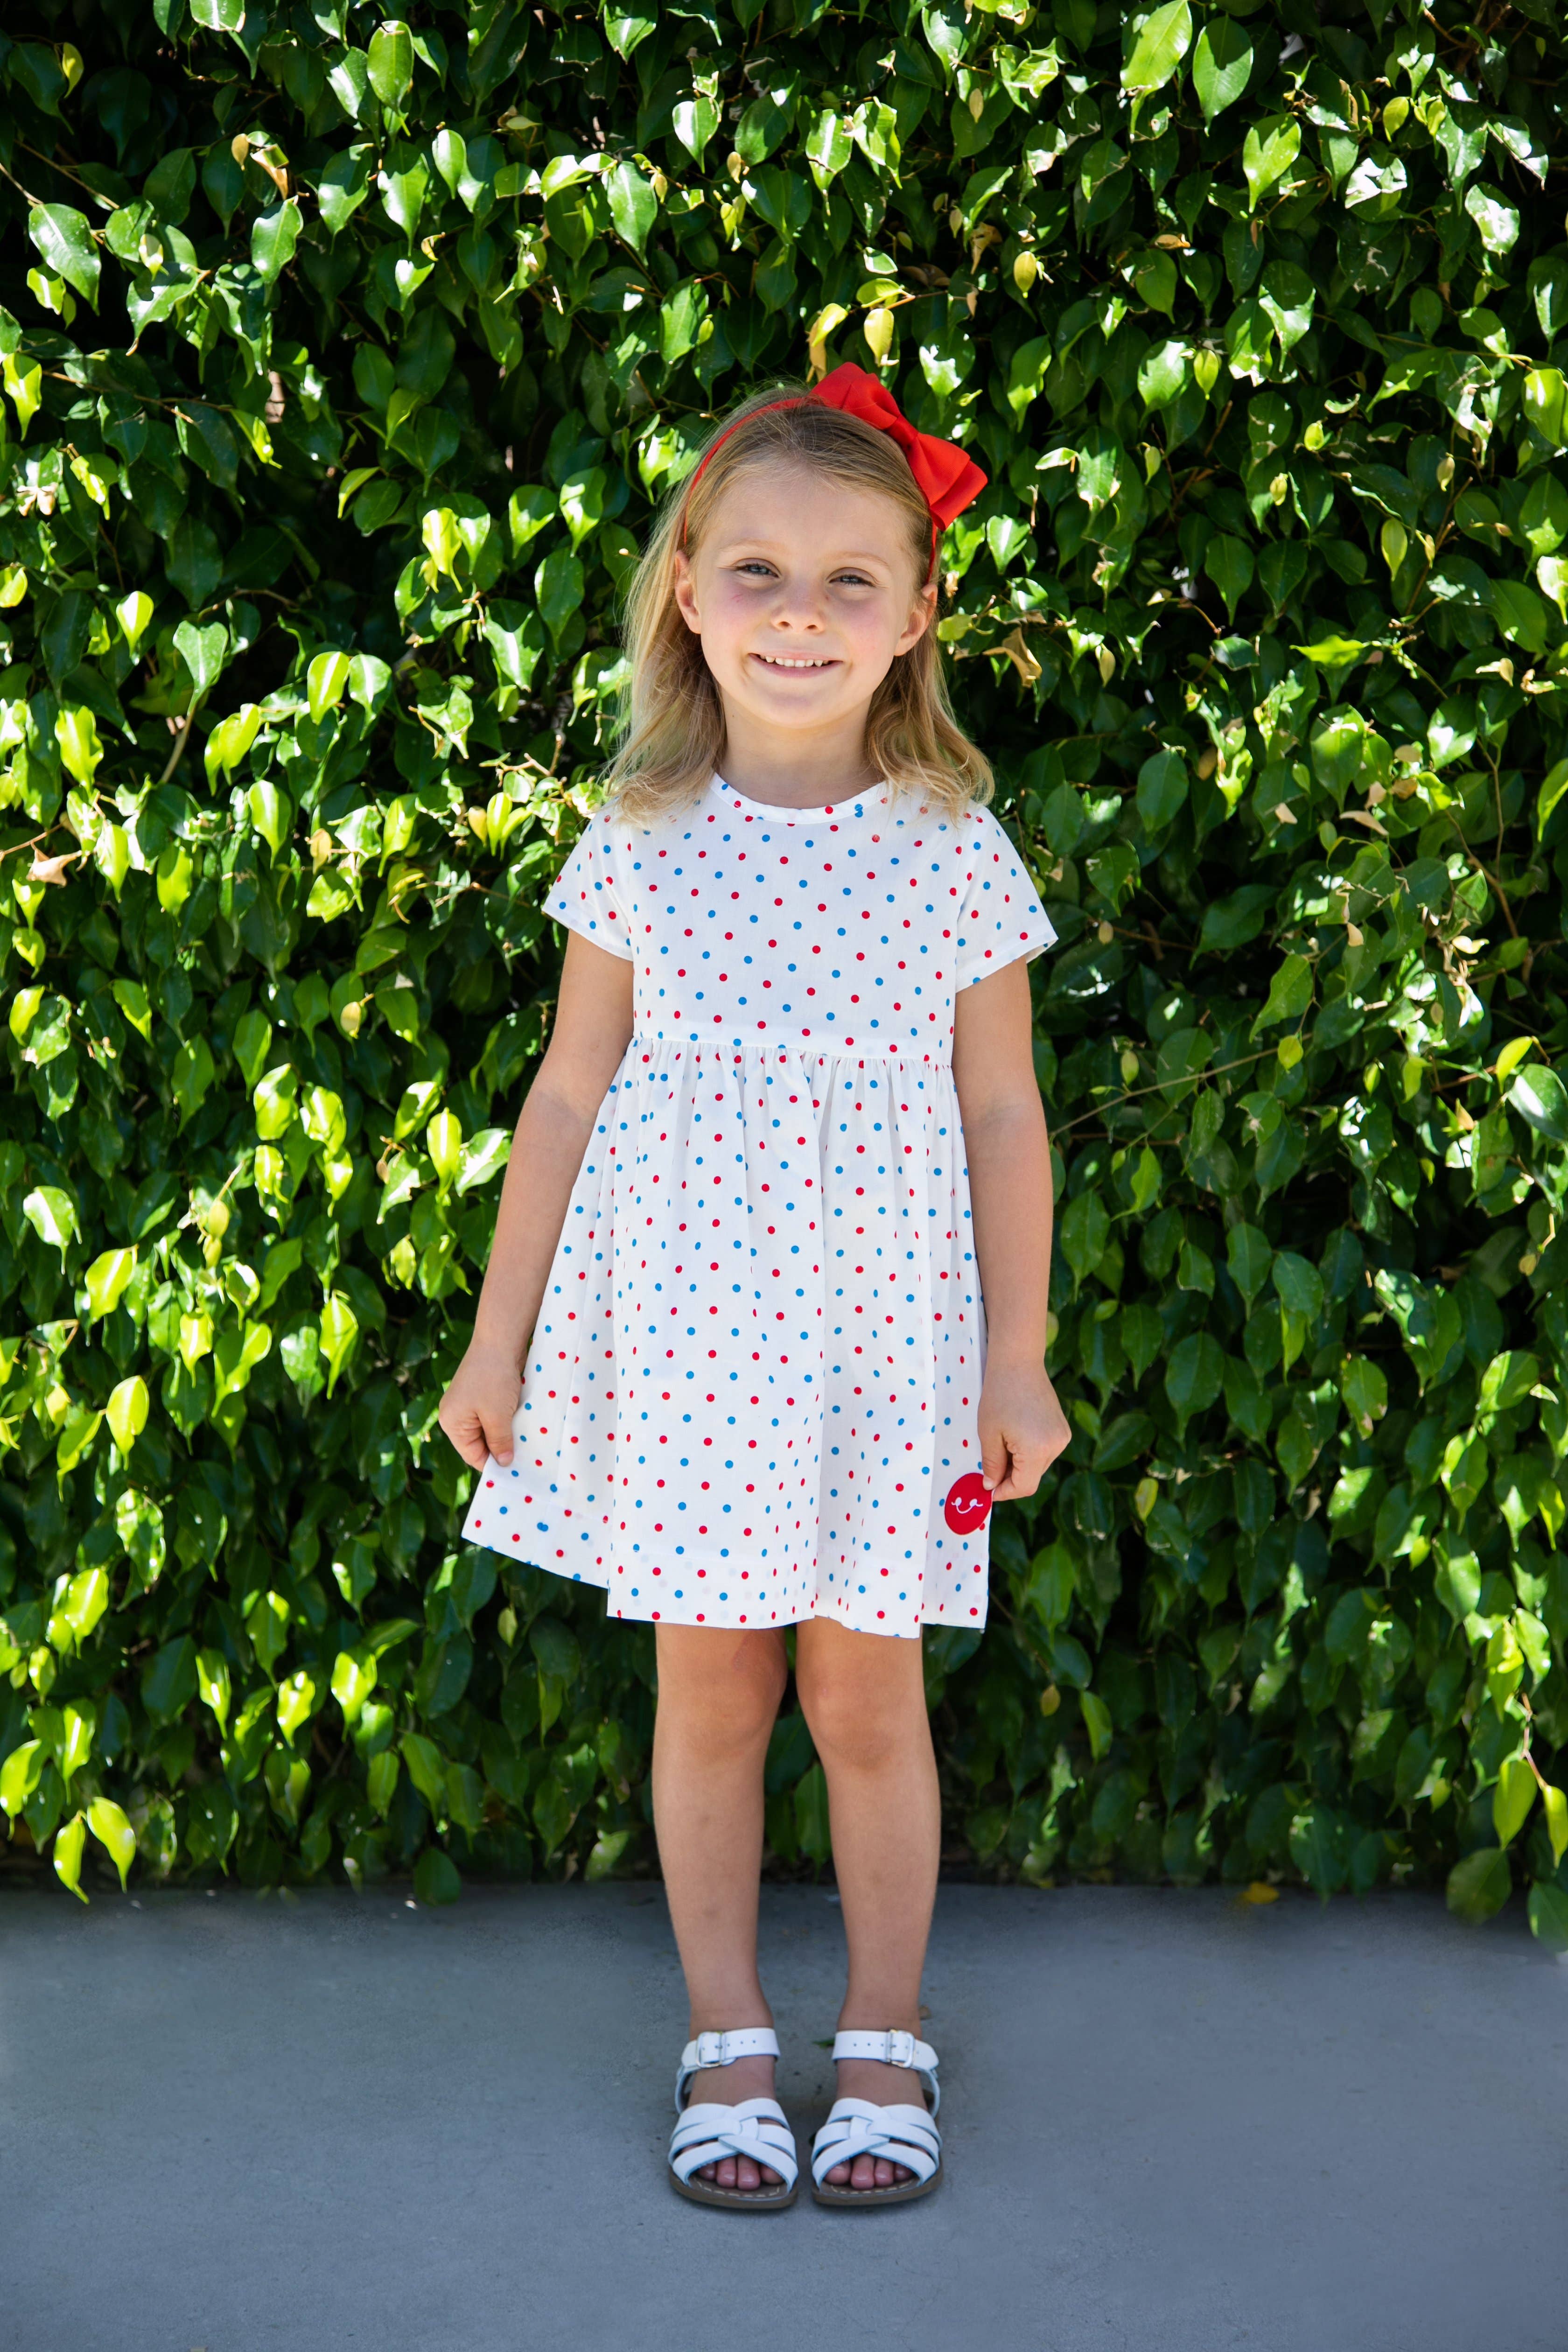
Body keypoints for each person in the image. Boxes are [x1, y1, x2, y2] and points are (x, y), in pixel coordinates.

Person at [439, 365, 1070, 2210]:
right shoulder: (640, 837)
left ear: (918, 614)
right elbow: (567, 1096)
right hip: (692, 1351)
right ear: (689, 593)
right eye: (760, 573)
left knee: (869, 1707)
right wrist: (498, 1341)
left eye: (850, 580)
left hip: (888, 1350)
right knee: (709, 1702)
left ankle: (884, 2032)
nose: (802, 615)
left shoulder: (952, 852)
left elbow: (1004, 1110)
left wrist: (1018, 1357)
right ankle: (725, 2028)